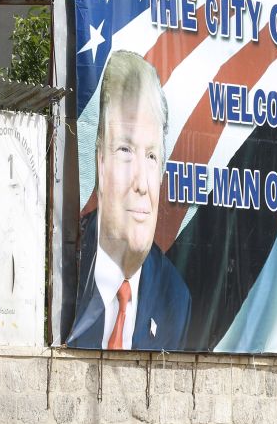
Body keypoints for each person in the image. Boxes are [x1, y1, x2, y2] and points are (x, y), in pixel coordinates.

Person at [67, 50, 191, 351]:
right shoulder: (66, 264)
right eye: (125, 150)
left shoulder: (174, 297)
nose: (141, 184)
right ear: (100, 161)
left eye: (151, 156)